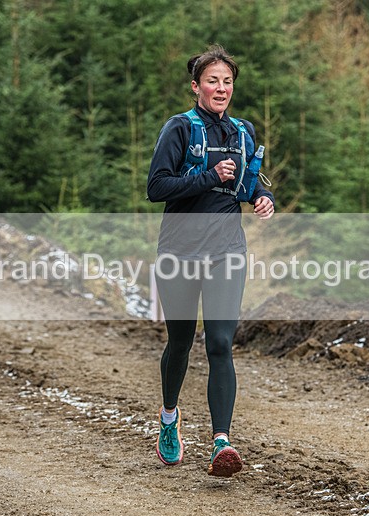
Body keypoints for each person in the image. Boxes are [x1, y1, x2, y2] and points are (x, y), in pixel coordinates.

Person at [146, 44, 275, 477]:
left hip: (226, 252)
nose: (221, 88)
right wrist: (206, 177)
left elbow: (249, 183)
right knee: (180, 343)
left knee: (220, 344)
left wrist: (262, 196)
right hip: (179, 252)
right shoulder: (179, 129)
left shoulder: (243, 131)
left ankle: (222, 441)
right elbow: (157, 187)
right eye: (213, 81)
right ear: (196, 86)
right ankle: (169, 418)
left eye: (227, 81)